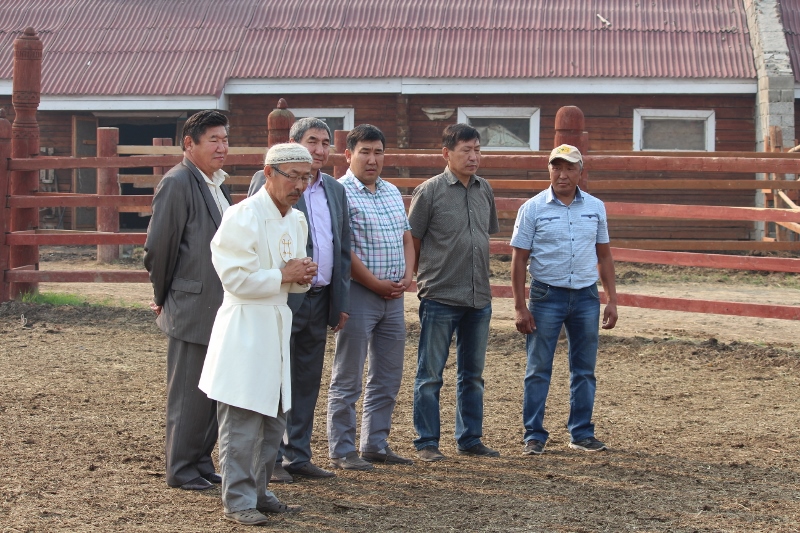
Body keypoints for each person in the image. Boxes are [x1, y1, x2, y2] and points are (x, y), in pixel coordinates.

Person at [198, 143, 317, 526]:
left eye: (306, 177)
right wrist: (284, 274)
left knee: (274, 418)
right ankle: (237, 500)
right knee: (243, 417)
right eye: (293, 176)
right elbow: (234, 278)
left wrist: (302, 276)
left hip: (277, 322)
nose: (300, 185)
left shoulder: (297, 219)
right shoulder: (242, 216)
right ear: (268, 173)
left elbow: (291, 277)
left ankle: (260, 491)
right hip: (245, 324)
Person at [247, 118, 350, 483]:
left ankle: (299, 455)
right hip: (282, 295)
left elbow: (342, 245)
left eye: (325, 142)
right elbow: (257, 235)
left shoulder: (335, 189)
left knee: (307, 379)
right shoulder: (271, 181)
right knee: (275, 375)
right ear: (293, 145)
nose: (319, 150)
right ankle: (270, 458)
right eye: (312, 141)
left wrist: (340, 300)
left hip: (320, 299)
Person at [143, 109, 232, 491]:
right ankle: (180, 468)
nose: (222, 147)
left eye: (225, 139)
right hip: (191, 305)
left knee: (211, 390)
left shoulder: (219, 184)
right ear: (189, 144)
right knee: (187, 393)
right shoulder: (177, 182)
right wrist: (162, 295)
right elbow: (158, 247)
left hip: (221, 306)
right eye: (213, 140)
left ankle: (200, 460)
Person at [510, 144, 618, 456]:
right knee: (538, 367)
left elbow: (604, 256)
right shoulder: (532, 208)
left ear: (580, 172)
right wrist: (520, 306)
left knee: (584, 368)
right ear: (549, 170)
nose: (562, 174)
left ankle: (581, 432)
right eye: (556, 167)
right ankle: (534, 435)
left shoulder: (595, 207)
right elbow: (519, 259)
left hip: (586, 295)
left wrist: (611, 298)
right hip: (546, 294)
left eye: (570, 168)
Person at [407, 123, 501, 462]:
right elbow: (413, 240)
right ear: (446, 153)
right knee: (430, 374)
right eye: (466, 150)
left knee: (472, 376)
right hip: (440, 296)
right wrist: (424, 276)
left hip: (479, 297)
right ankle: (427, 442)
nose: (473, 156)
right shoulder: (429, 192)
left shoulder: (484, 189)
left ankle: (470, 438)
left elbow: (485, 234)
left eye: (477, 150)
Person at [327, 124, 415, 471]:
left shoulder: (391, 191)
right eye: (365, 151)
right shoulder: (340, 192)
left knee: (388, 374)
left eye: (378, 152)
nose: (372, 159)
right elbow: (342, 249)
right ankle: (342, 449)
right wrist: (375, 283)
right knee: (348, 374)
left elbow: (406, 237)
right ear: (348, 155)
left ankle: (375, 443)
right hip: (360, 293)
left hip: (394, 295)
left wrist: (408, 275)